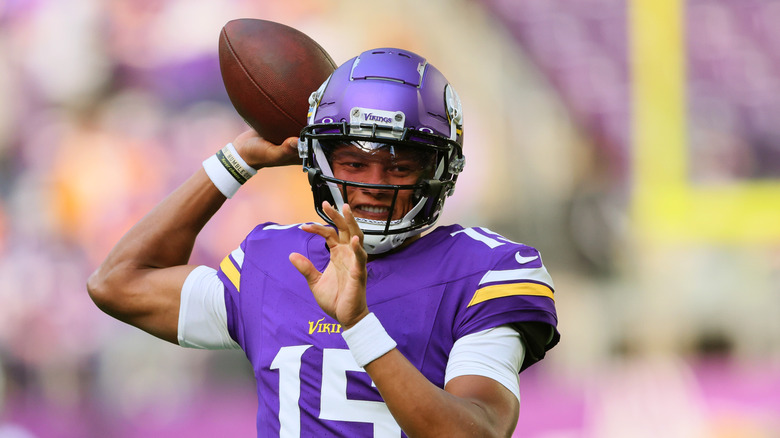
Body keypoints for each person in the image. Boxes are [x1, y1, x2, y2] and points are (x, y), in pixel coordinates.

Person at [87, 47, 560, 437]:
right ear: (319, 161)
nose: (375, 184)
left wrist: (358, 323)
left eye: (398, 166)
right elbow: (118, 282)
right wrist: (236, 161)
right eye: (354, 163)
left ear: (438, 172)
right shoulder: (277, 260)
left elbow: (475, 433)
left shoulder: (485, 270)